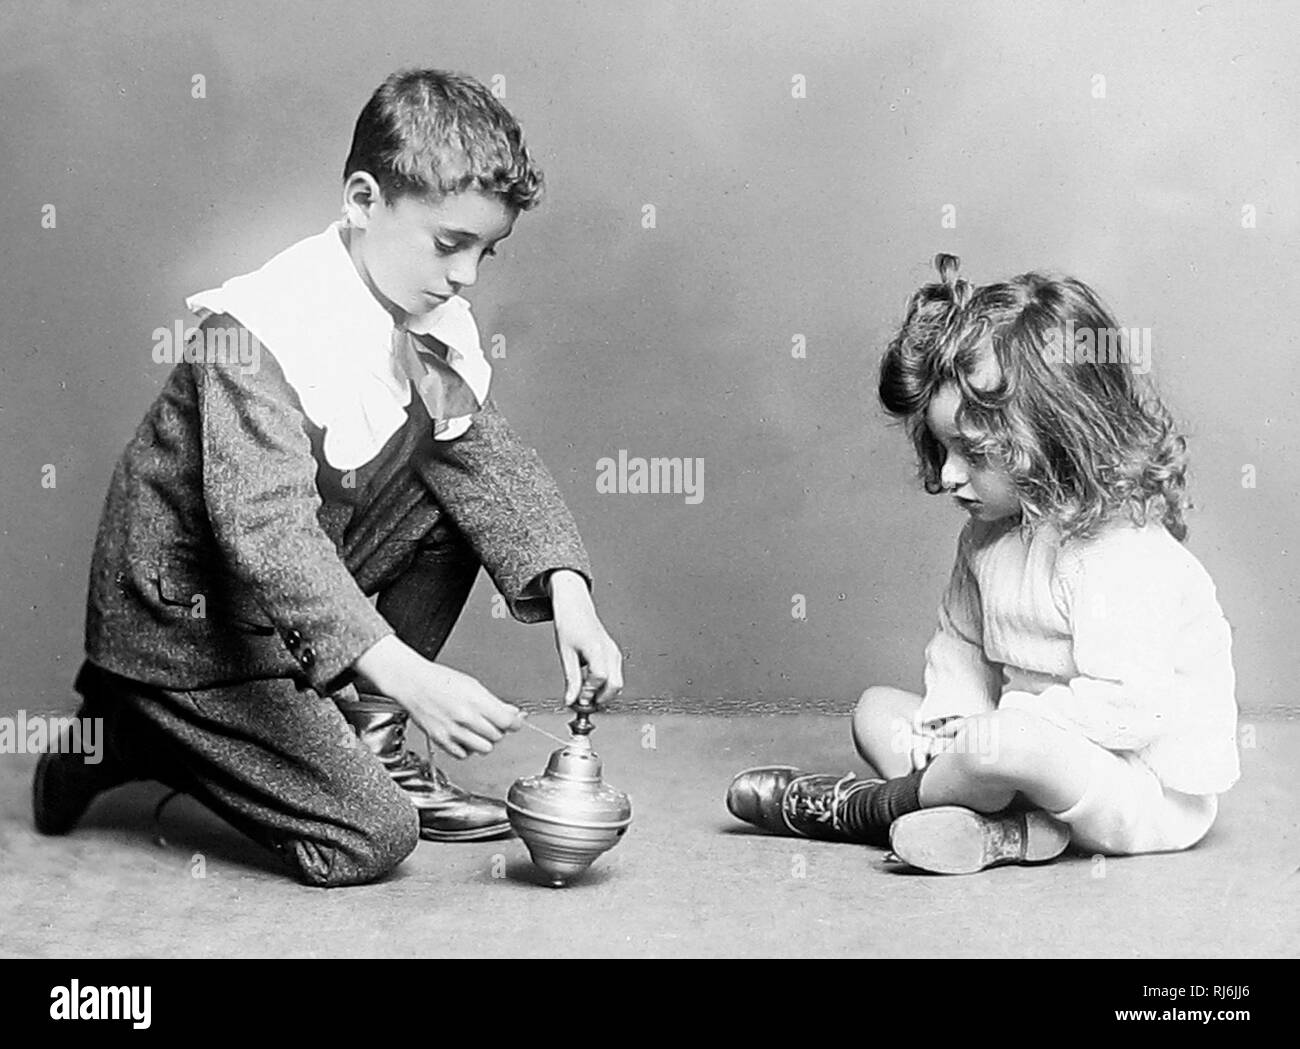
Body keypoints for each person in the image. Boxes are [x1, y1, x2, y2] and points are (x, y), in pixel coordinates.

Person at [33, 69, 623, 887]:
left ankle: (370, 743)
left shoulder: (421, 311)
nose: (468, 277)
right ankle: (138, 727)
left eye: (487, 251)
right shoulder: (260, 329)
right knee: (370, 838)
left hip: (291, 603)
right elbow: (265, 531)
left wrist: (568, 588)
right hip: (189, 630)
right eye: (449, 243)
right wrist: (412, 676)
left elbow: (479, 452)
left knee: (458, 492)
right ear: (362, 199)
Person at [727, 254, 1239, 874]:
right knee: (877, 711)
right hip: (1008, 755)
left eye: (973, 451)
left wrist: (995, 731)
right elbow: (961, 645)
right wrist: (952, 723)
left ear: (1056, 437)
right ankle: (1009, 831)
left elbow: (1132, 708)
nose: (947, 476)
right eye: (940, 448)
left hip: (1134, 788)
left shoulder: (1120, 551)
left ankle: (869, 810)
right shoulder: (987, 537)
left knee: (1006, 744)